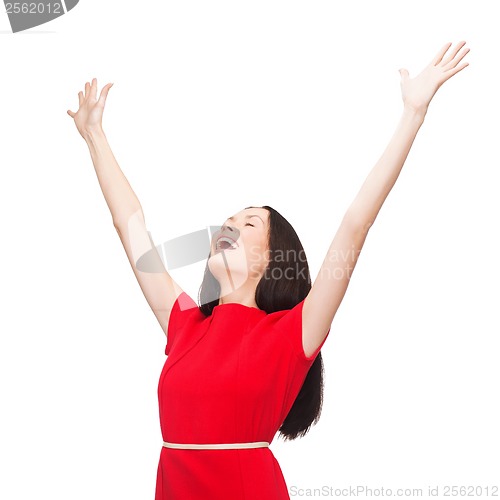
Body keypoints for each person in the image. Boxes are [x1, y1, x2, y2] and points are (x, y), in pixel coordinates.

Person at [67, 41, 469, 499]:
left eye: (248, 223)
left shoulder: (290, 334)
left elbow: (355, 226)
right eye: (229, 221)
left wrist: (412, 114)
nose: (229, 226)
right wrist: (94, 135)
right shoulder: (184, 324)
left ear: (272, 258)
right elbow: (131, 226)